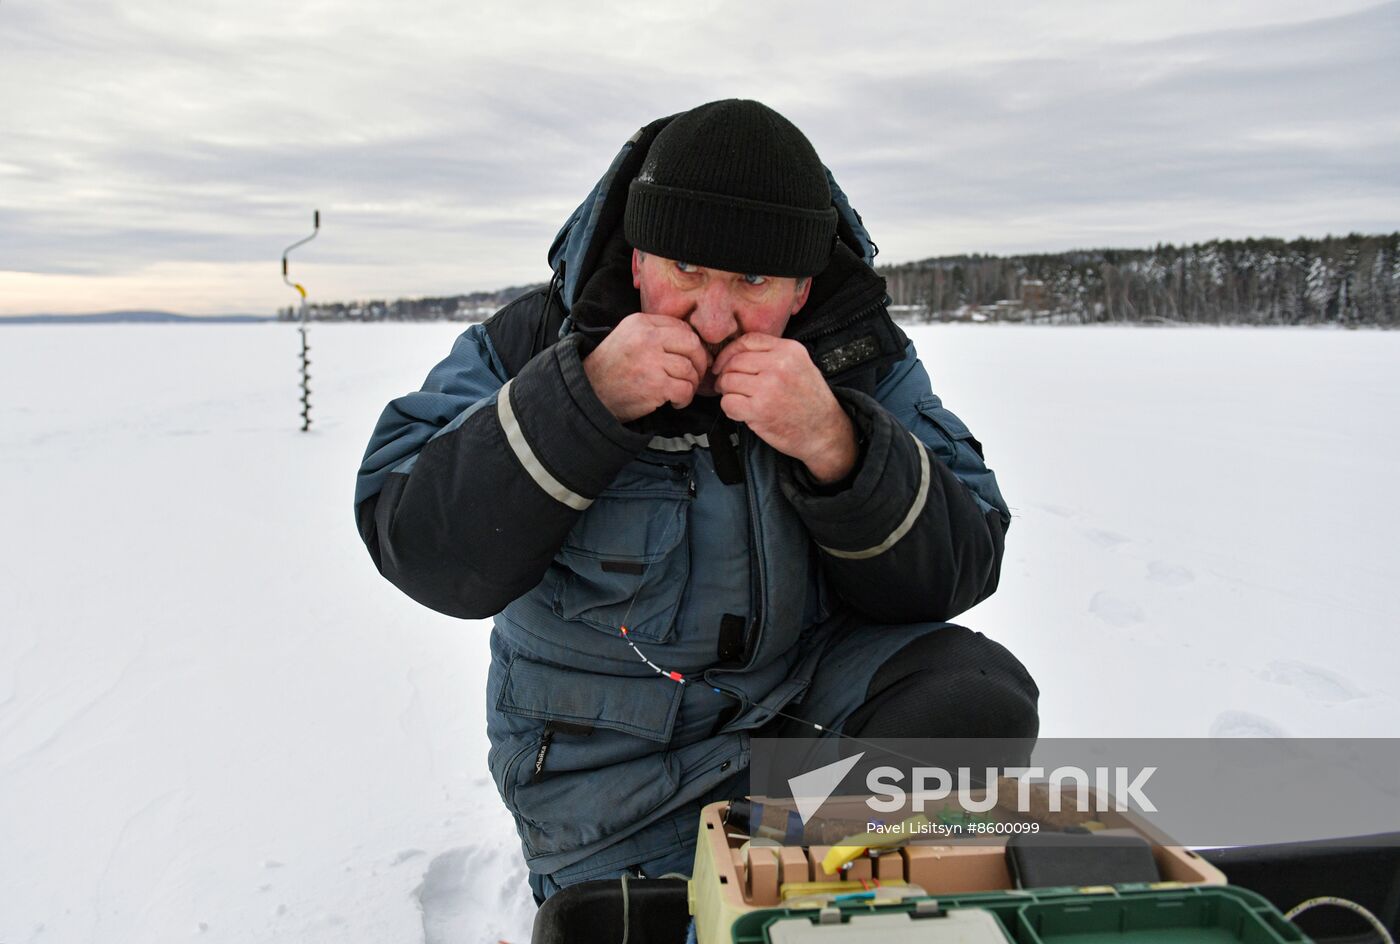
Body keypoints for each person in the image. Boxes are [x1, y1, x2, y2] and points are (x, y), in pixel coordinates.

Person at [354, 99, 1039, 901]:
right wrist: (585, 400)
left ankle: (796, 890)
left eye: (752, 281)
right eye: (686, 272)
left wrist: (837, 444)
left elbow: (964, 562)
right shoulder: (534, 340)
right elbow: (418, 545)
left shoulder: (858, 357)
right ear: (641, 260)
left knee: (975, 698)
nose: (714, 320)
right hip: (607, 795)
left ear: (800, 287)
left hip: (797, 743)